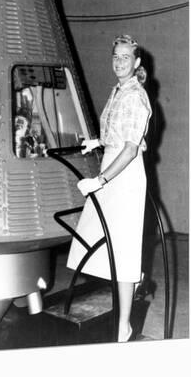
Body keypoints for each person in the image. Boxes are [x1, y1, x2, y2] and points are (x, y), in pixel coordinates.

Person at [67, 34, 152, 342]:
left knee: (124, 251)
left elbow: (130, 150)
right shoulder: (118, 91)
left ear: (137, 62)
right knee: (104, 245)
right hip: (111, 166)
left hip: (124, 176)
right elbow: (116, 133)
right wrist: (98, 142)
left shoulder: (135, 95)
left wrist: (100, 181)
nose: (119, 62)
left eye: (125, 58)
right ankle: (133, 290)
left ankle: (125, 325)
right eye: (116, 57)